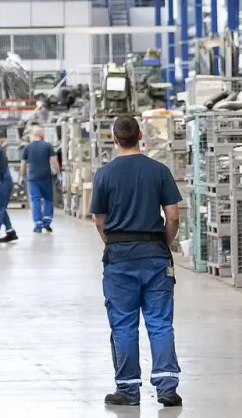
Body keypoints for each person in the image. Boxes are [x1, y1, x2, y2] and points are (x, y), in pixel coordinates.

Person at [92, 115, 183, 408]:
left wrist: (114, 245)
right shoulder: (159, 170)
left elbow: (99, 220)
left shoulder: (104, 174)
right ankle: (167, 387)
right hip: (155, 256)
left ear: (114, 138)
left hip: (119, 259)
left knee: (123, 325)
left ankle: (128, 391)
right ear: (140, 135)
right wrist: (163, 245)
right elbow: (173, 215)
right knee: (159, 322)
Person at [21, 125, 61, 233]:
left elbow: (23, 164)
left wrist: (22, 176)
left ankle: (38, 224)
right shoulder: (47, 146)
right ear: (41, 134)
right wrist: (58, 173)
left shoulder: (27, 147)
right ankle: (47, 222)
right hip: (46, 178)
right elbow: (53, 161)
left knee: (35, 200)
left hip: (33, 179)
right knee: (48, 199)